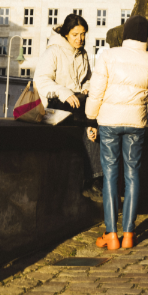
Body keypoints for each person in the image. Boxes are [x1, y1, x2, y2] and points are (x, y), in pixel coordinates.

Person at [85, 14, 148, 251]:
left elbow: (96, 90)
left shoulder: (108, 55)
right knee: (132, 175)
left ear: (125, 33)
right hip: (136, 122)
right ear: (146, 36)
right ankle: (129, 233)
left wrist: (90, 118)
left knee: (110, 176)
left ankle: (111, 234)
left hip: (109, 121)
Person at [34, 13, 102, 187]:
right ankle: (94, 181)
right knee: (91, 120)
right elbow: (41, 81)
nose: (80, 39)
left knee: (98, 117)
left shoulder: (83, 54)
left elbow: (87, 78)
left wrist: (87, 86)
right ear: (66, 34)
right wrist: (63, 92)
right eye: (75, 35)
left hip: (77, 105)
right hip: (56, 106)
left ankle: (98, 178)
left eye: (83, 34)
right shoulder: (53, 51)